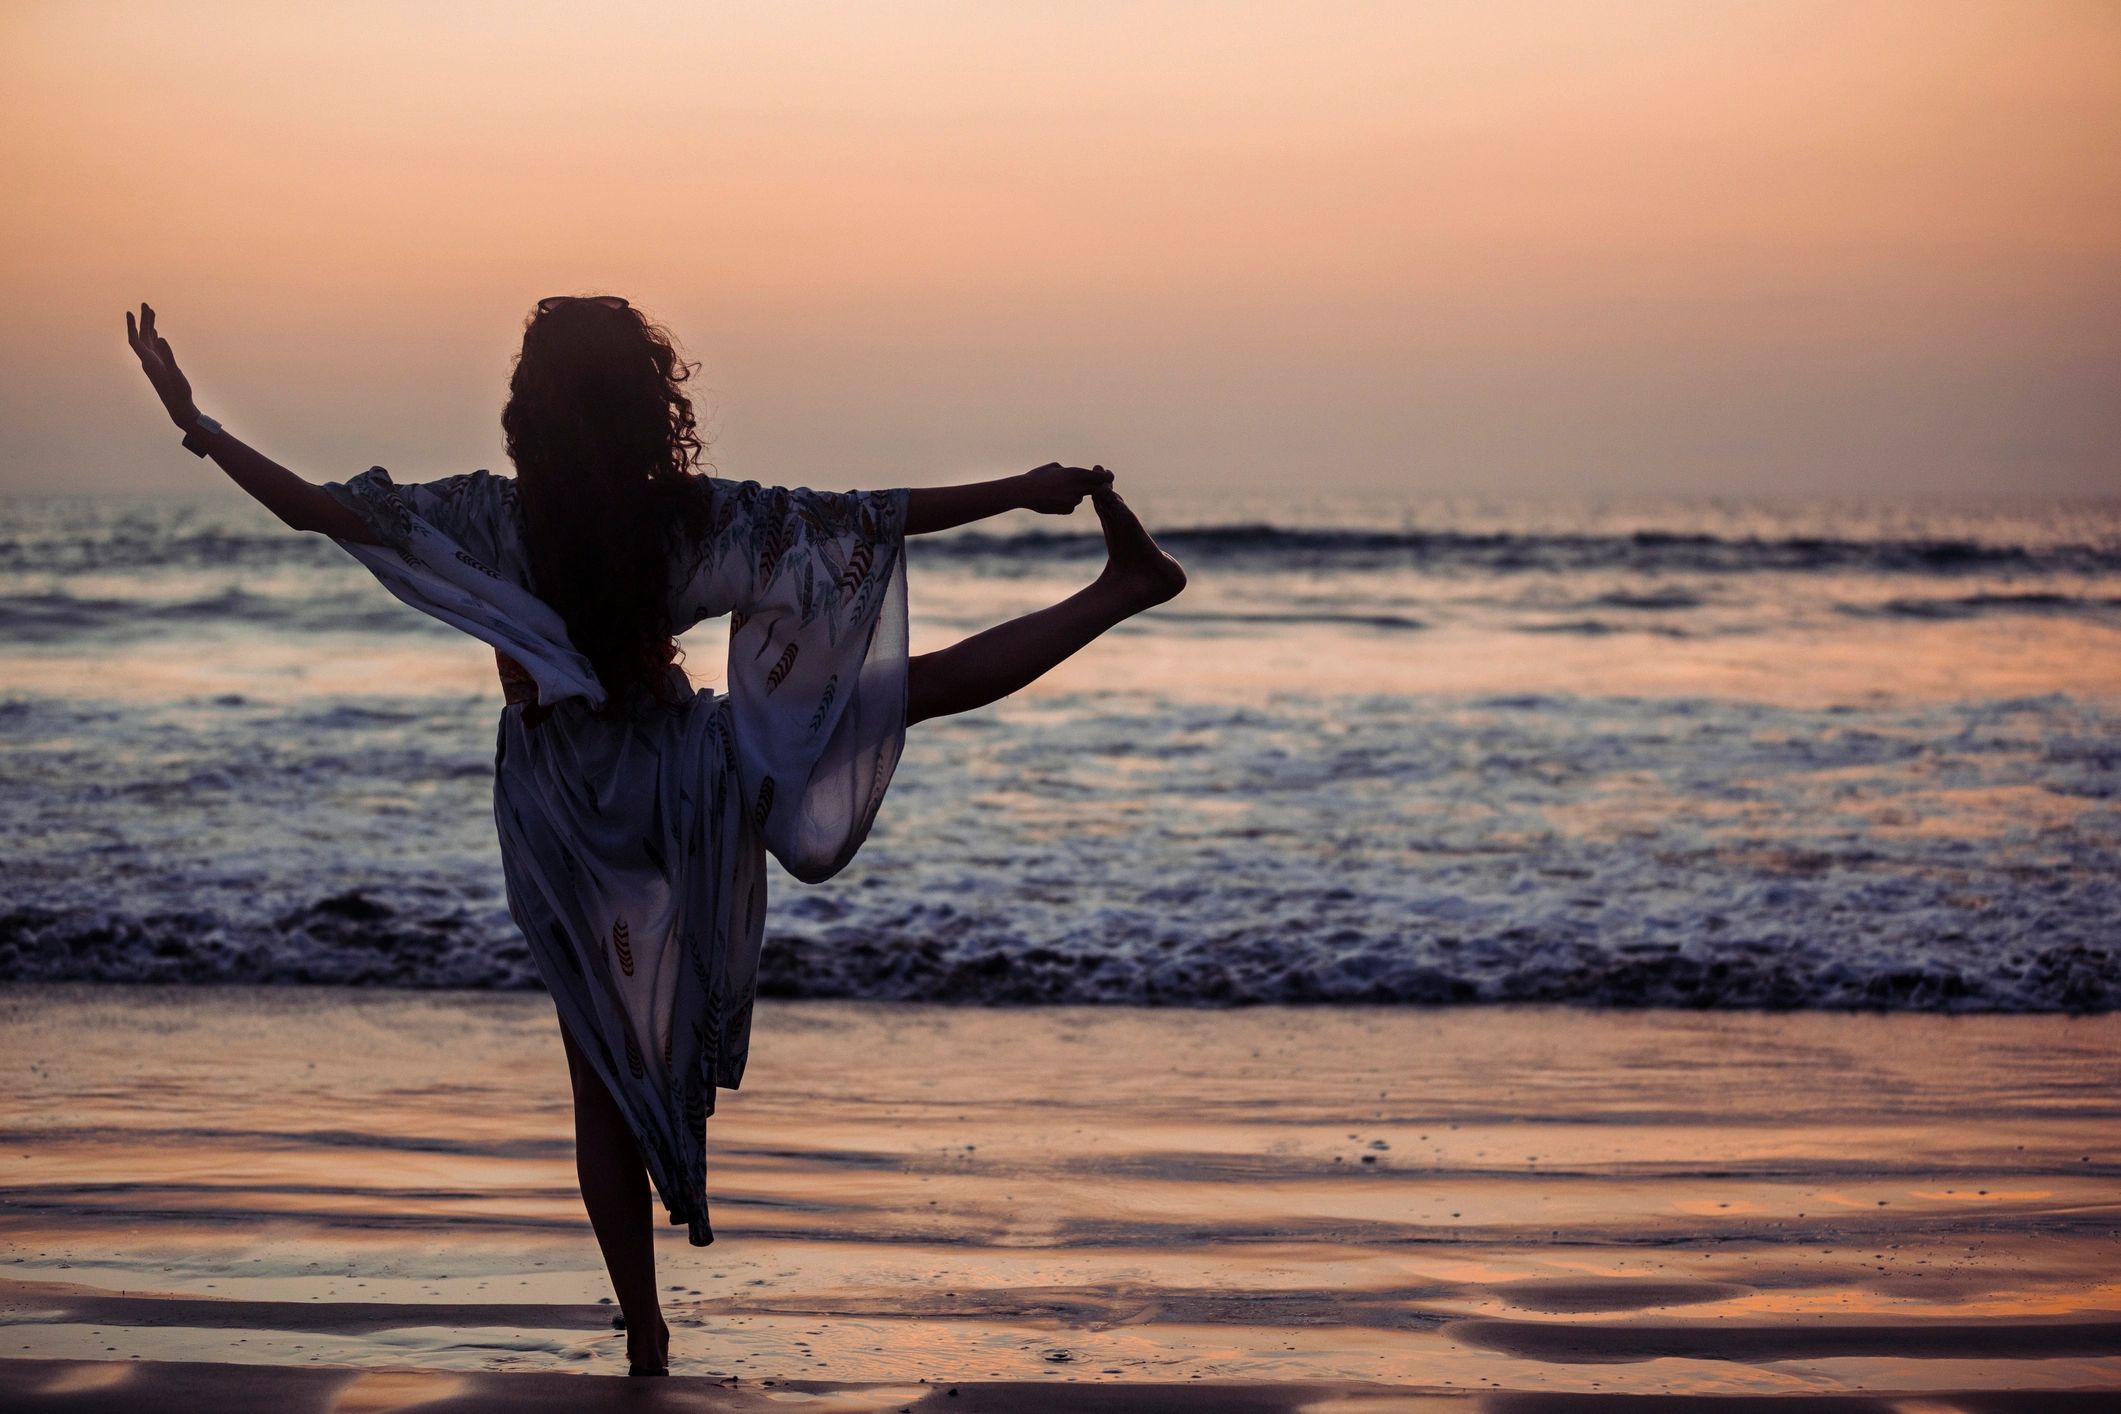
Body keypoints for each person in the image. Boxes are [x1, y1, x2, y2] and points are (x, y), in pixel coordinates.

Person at [124, 296, 1185, 1375]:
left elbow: (318, 512)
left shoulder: (492, 517)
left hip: (559, 808)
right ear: (649, 402)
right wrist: (1021, 491)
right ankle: (1118, 588)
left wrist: (198, 422)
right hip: (677, 779)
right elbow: (860, 518)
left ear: (528, 405)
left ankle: (645, 1329)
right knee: (903, 693)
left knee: (595, 1072)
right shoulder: (683, 516)